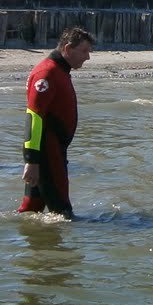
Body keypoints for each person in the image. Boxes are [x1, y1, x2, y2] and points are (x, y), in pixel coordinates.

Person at [19, 26, 95, 217]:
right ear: (68, 49)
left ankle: (31, 244)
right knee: (63, 215)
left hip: (52, 150)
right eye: (84, 51)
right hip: (47, 152)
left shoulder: (60, 70)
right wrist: (32, 161)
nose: (87, 57)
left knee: (31, 211)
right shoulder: (46, 73)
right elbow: (33, 117)